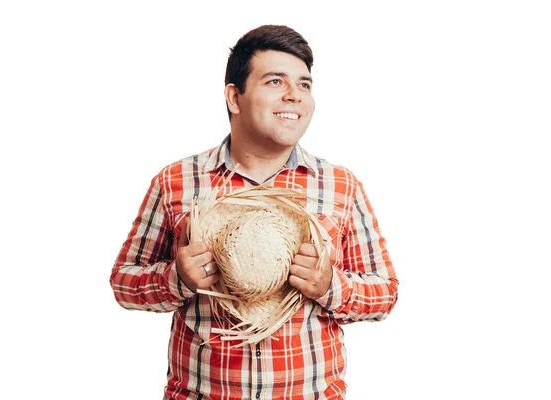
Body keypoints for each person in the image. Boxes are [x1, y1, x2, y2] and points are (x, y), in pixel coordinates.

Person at [110, 24, 399, 400]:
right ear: (235, 97)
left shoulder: (340, 185)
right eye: (276, 82)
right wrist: (176, 278)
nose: (295, 96)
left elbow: (385, 292)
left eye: (305, 85)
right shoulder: (176, 180)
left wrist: (331, 286)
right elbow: (123, 283)